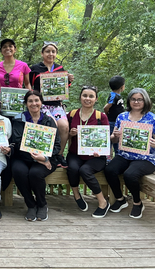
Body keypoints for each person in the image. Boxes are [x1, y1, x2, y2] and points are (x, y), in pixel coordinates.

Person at [105, 88, 155, 219]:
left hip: (146, 158)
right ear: (129, 100)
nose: (136, 102)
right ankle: (120, 199)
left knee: (130, 174)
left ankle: (137, 203)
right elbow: (113, 139)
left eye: (140, 99)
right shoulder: (122, 117)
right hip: (124, 155)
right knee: (109, 169)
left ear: (145, 101)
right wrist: (115, 136)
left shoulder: (152, 118)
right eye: (133, 99)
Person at [11, 90, 60, 221]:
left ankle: (42, 205)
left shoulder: (49, 121)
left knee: (35, 173)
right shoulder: (19, 120)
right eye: (30, 101)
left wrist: (45, 158)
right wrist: (34, 156)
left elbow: (57, 146)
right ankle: (31, 205)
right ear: (26, 103)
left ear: (41, 102)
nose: (34, 103)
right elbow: (16, 141)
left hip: (46, 159)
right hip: (23, 157)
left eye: (36, 100)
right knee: (18, 171)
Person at [66, 86, 110, 218]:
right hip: (75, 154)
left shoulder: (100, 117)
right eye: (85, 95)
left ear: (96, 99)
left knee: (85, 170)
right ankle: (76, 195)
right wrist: (70, 134)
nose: (87, 99)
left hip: (96, 157)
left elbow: (106, 138)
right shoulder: (72, 114)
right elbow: (63, 136)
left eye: (91, 96)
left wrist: (100, 151)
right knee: (73, 168)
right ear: (80, 97)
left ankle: (102, 202)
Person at [29, 41, 74, 168]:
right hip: (41, 105)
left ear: (56, 54)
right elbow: (28, 87)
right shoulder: (35, 69)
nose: (51, 54)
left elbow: (64, 89)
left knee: (64, 126)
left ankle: (59, 155)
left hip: (56, 105)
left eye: (53, 51)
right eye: (48, 51)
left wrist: (69, 80)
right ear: (42, 53)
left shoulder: (60, 69)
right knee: (52, 123)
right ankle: (48, 154)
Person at [104, 76, 125, 154]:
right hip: (112, 121)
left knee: (118, 140)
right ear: (122, 87)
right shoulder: (113, 95)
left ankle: (118, 155)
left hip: (119, 122)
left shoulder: (117, 96)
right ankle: (107, 157)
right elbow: (106, 107)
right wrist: (107, 116)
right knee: (111, 140)